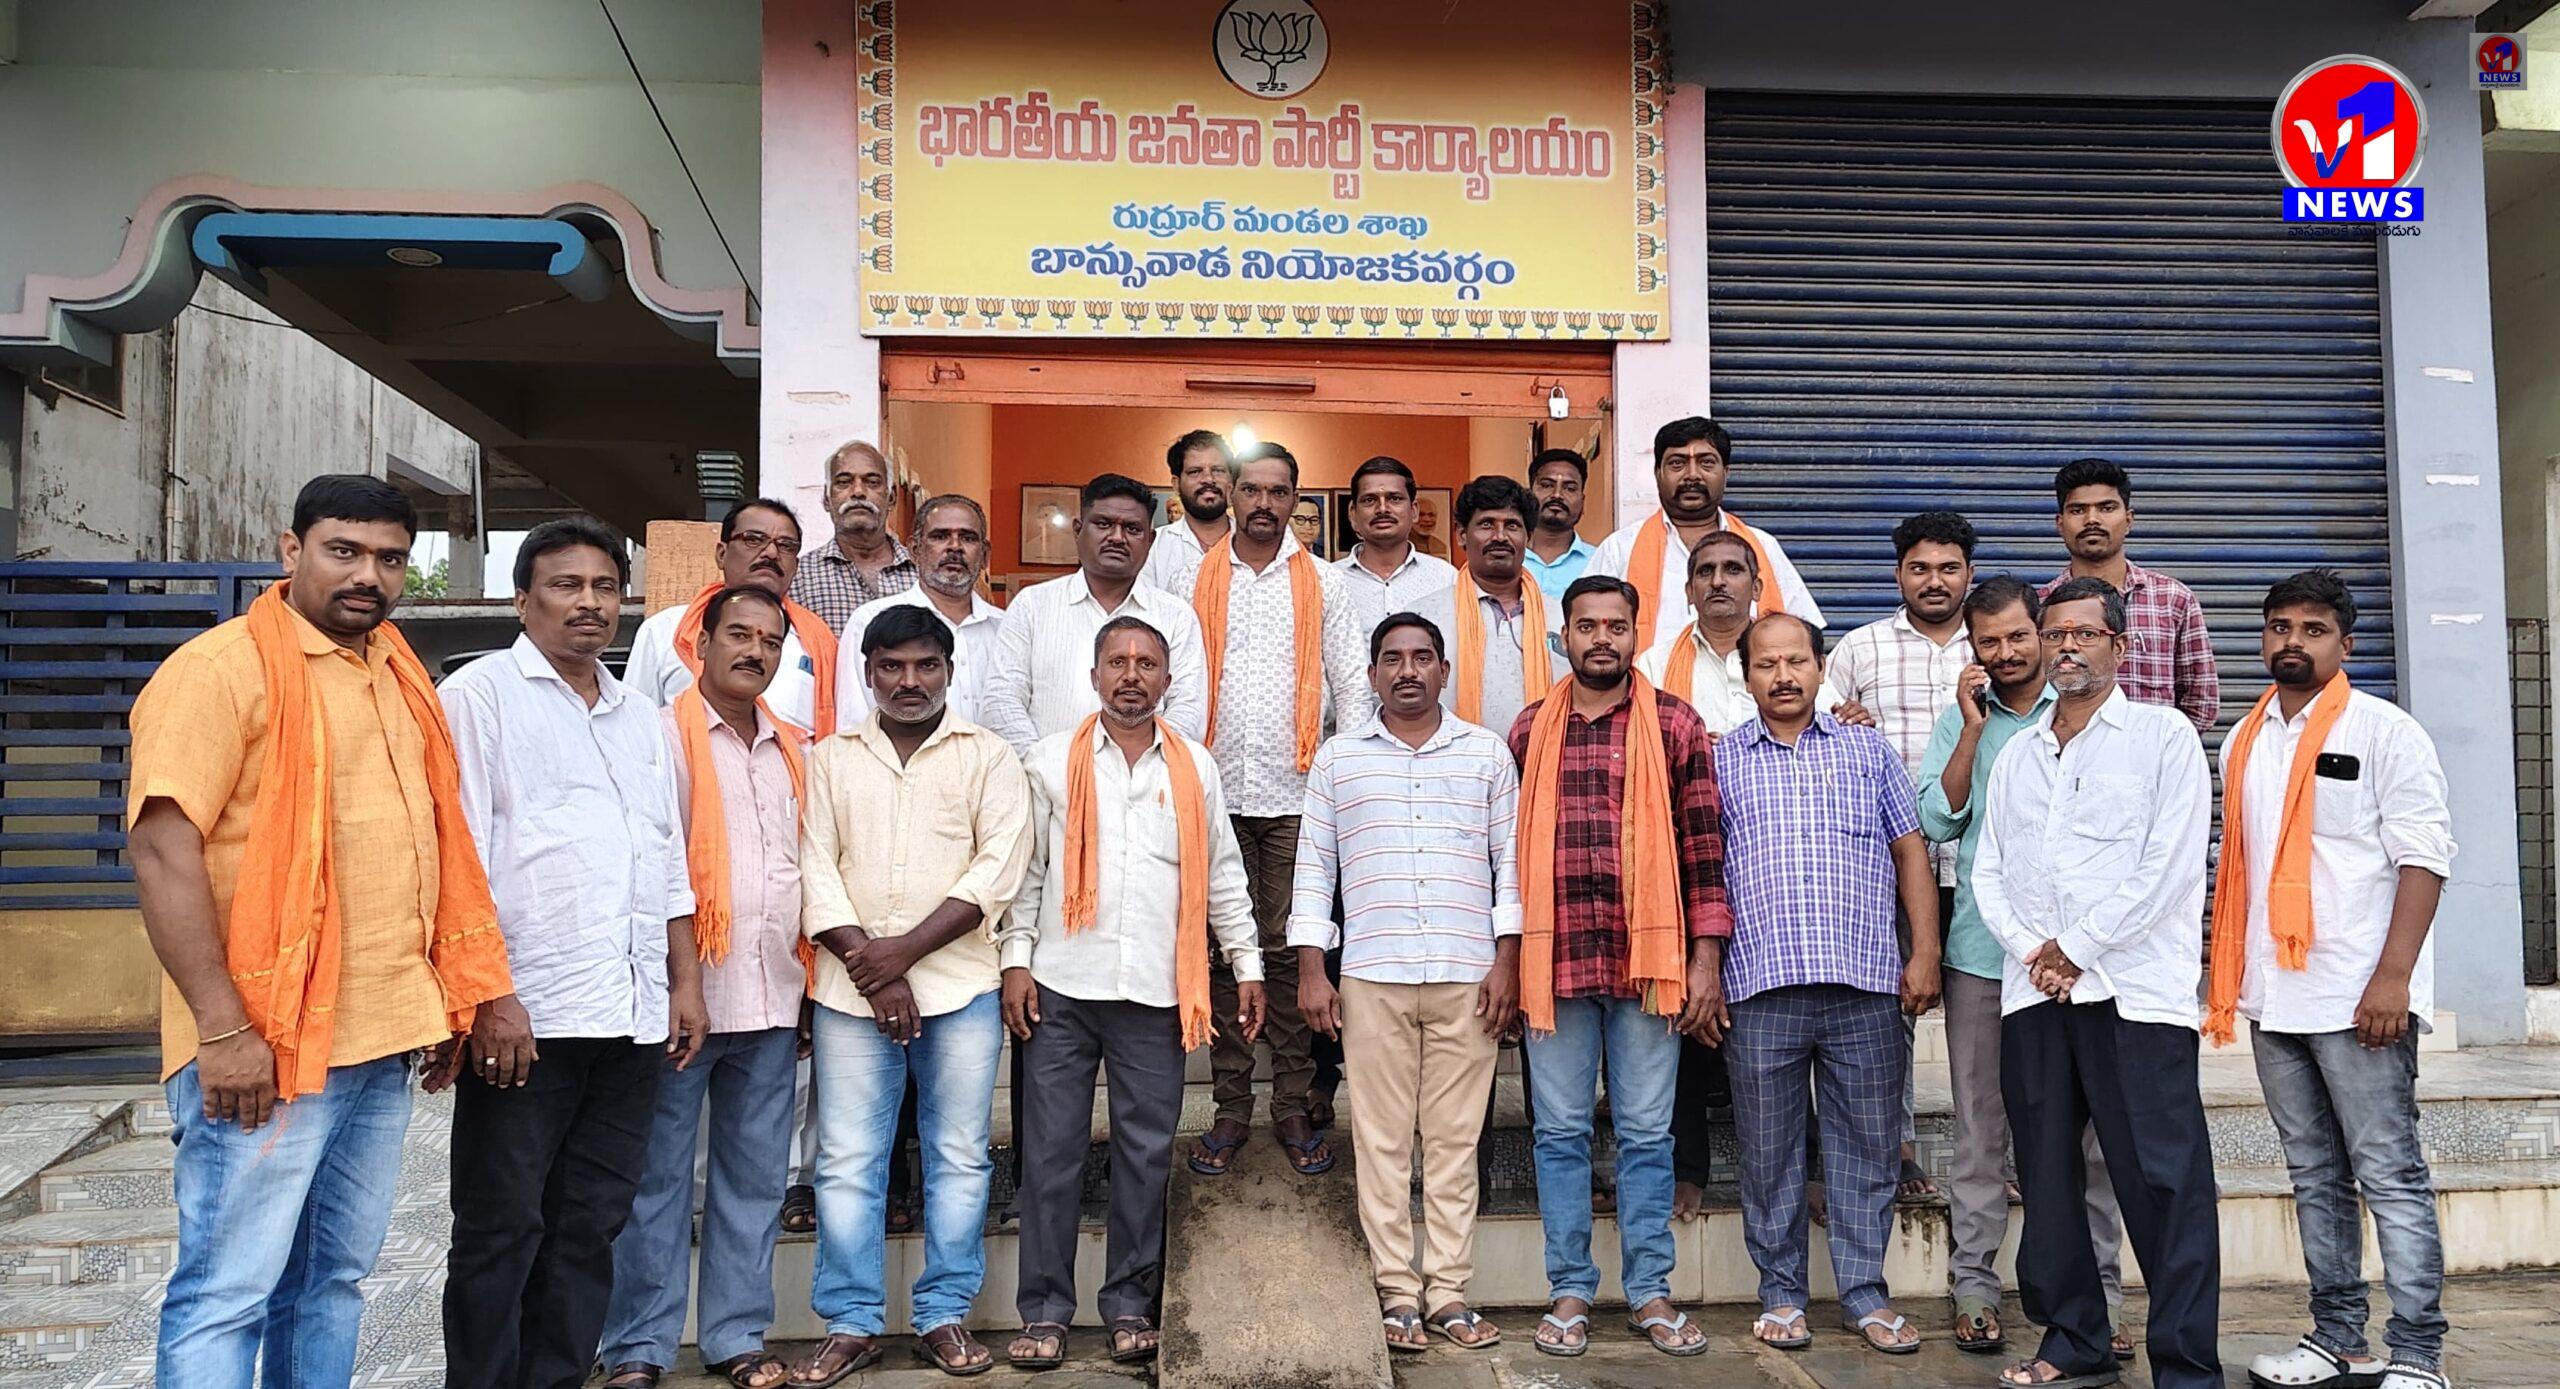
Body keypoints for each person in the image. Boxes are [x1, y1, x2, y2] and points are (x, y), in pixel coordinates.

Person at [130, 476, 517, 1387]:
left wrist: (444, 999)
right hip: (262, 1044)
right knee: (228, 1290)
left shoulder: (397, 671)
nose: (368, 576)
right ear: (290, 549)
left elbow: (425, 849)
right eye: (344, 550)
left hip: (378, 1040)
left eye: (390, 558)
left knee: (330, 1282)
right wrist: (224, 1029)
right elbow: (160, 848)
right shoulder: (220, 670)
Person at [440, 515, 708, 1389]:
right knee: (501, 1226)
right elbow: (460, 856)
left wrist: (683, 981)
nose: (588, 602)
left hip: (629, 1018)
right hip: (527, 1016)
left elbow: (665, 858)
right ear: (523, 599)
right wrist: (490, 997)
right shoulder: (479, 697)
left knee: (590, 1223)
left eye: (604, 586)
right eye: (565, 584)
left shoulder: (640, 717)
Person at [998, 616, 1266, 1370]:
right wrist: (1015, 960)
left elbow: (1222, 873)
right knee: (1050, 1154)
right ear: (1093, 676)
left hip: (1155, 991)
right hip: (1060, 987)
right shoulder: (1050, 761)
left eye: (1147, 663)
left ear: (1167, 680)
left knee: (1145, 1156)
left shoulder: (1194, 767)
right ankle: (1044, 1311)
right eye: (1117, 661)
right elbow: (1027, 872)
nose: (1131, 675)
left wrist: (1246, 962)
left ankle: (1128, 1306)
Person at [2211, 571, 2455, 1389]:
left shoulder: (2386, 731)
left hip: (2360, 996)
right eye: (2280, 625)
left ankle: (2418, 1352)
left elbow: (2424, 858)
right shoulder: (2244, 740)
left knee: (2390, 1174)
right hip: (2273, 995)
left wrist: (2394, 978)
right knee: (2313, 1174)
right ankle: (2339, 1339)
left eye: (2313, 629)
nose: (2293, 641)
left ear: (2345, 644)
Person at [1973, 576, 2217, 1389]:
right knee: (2046, 1177)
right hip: (2034, 995)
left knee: (2163, 1181)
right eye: (2055, 633)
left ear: (2122, 643)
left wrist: (2075, 946)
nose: (2066, 645)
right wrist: (2035, 952)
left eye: (2084, 632)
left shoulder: (2162, 736)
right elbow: (1989, 871)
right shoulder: (2018, 753)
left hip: (2135, 994)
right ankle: (2074, 1338)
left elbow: (2169, 866)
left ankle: (2185, 1365)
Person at [793, 605, 1033, 1382]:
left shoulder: (989, 757)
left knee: (959, 1154)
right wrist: (875, 965)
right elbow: (812, 867)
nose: (909, 680)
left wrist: (902, 953)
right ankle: (850, 1320)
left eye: (926, 664)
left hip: (960, 989)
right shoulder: (829, 759)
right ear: (868, 672)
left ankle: (944, 1312)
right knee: (847, 1159)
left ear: (949, 670)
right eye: (892, 666)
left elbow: (998, 869)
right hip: (850, 992)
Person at [1508, 576, 1727, 1360]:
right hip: (1556, 962)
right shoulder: (1530, 728)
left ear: (1637, 633)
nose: (1602, 637)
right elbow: (1505, 855)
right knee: (1560, 1132)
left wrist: (1705, 956)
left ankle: (1650, 1290)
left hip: (1648, 965)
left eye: (1616, 625)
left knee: (1645, 1133)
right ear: (1562, 635)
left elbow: (1705, 848)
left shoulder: (1674, 722)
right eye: (1587, 625)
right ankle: (1570, 1287)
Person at [1711, 612, 1939, 1357]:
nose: (1783, 676)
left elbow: (1910, 851)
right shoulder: (1721, 761)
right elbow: (1701, 873)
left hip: (1865, 981)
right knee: (1768, 1150)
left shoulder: (1868, 750)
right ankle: (1780, 1294)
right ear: (1745, 676)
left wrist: (1924, 951)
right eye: (1766, 664)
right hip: (1760, 983)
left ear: (1820, 668)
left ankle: (1865, 1293)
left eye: (1796, 662)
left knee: (1867, 1146)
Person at [1293, 614, 1522, 1353]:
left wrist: (1507, 961)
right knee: (1383, 1141)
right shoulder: (1338, 758)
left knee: (1454, 1143)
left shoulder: (1486, 753)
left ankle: (1449, 1292)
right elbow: (1314, 869)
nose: (1408, 671)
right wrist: (1312, 969)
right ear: (1371, 675)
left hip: (1467, 973)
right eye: (1392, 659)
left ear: (1444, 671)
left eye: (1423, 657)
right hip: (1373, 973)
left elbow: (1511, 865)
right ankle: (1396, 1293)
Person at [1915, 576, 2130, 1359]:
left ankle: (2100, 1294)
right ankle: (1974, 1283)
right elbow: (1936, 817)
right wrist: (1972, 729)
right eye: (1988, 642)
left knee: (2087, 1136)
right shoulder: (1965, 718)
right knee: (1981, 1125)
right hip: (1983, 952)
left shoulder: (2085, 712)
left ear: (2044, 634)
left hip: (2080, 959)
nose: (2005, 653)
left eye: (2017, 636)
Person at [601, 586, 809, 1389]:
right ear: (701, 643)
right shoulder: (658, 738)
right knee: (656, 1180)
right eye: (739, 635)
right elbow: (652, 870)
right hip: (681, 1001)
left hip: (772, 993)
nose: (754, 650)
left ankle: (735, 1334)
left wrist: (807, 988)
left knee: (754, 1179)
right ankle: (639, 1345)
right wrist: (682, 982)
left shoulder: (795, 748)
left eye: (769, 640)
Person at [1158, 441, 1373, 1178]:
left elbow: (1352, 686)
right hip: (1209, 790)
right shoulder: (1188, 577)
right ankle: (1228, 1107)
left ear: (1296, 501)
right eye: (1250, 489)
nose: (1262, 503)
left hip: (1296, 793)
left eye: (1278, 491)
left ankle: (1289, 1101)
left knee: (1287, 953)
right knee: (1223, 950)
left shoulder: (1325, 583)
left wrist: (1349, 778)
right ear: (1232, 493)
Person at [1822, 510, 1977, 1202]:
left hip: (1978, 862)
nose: (1934, 581)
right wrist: (1843, 720)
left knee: (1984, 1014)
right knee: (1892, 1009)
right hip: (1884, 863)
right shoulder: (1860, 649)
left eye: (1948, 568)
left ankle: (1988, 1151)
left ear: (1969, 573)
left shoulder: (1994, 644)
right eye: (1920, 568)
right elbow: (1819, 732)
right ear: (1898, 574)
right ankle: (1900, 1144)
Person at [984, 472, 1212, 754]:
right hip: (1045, 778)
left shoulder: (1176, 617)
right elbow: (1001, 699)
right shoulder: (1032, 606)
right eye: (1104, 524)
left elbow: (1189, 711)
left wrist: (1143, 769)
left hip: (1147, 779)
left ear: (1150, 541)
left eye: (1132, 529)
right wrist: (1044, 768)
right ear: (1078, 530)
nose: (1117, 537)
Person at [1589, 417, 1823, 651]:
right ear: (1658, 473)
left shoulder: (1762, 546)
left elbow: (1805, 636)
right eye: (1677, 463)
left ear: (1726, 473)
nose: (1692, 475)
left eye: (1706, 463)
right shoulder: (1620, 549)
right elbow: (1586, 631)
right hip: (1648, 676)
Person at [625, 496, 837, 735]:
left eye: (786, 546)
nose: (771, 553)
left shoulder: (819, 642)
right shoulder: (663, 630)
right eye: (753, 539)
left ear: (795, 567)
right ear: (721, 554)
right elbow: (633, 727)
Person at [2040, 457, 2217, 734]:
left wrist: (2163, 748)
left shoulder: (2173, 600)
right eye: (2078, 510)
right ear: (2060, 524)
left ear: (2129, 519)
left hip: (2152, 758)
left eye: (2106, 508)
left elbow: (2201, 702)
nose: (2092, 519)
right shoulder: (2042, 605)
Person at [1414, 475, 1559, 739]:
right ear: (1461, 535)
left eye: (1512, 525)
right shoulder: (1423, 618)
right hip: (1450, 759)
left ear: (1528, 537)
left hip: (1545, 759)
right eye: (1486, 524)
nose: (1500, 536)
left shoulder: (1561, 618)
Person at [844, 495, 1006, 724]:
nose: (955, 547)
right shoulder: (870, 620)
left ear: (985, 555)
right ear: (914, 550)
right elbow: (853, 720)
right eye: (940, 536)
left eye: (968, 538)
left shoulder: (1007, 629)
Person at [790, 439, 919, 632]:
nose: (858, 492)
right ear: (826, 499)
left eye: (872, 482)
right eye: (844, 482)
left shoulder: (922, 574)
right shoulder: (798, 578)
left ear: (891, 498)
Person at [1335, 454, 1459, 638]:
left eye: (1394, 498)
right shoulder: (1330, 581)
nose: (1382, 509)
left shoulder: (1446, 578)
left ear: (1414, 511)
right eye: (1369, 500)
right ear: (1353, 514)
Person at [1141, 427, 1236, 592]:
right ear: (1176, 484)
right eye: (1195, 472)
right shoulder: (1154, 547)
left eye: (1218, 470)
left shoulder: (1252, 541)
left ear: (1231, 480)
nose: (1208, 479)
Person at [1522, 447, 1598, 592]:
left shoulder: (1600, 561)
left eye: (1570, 488)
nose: (1557, 495)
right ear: (1529, 495)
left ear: (1582, 501)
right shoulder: (1506, 556)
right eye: (1546, 485)